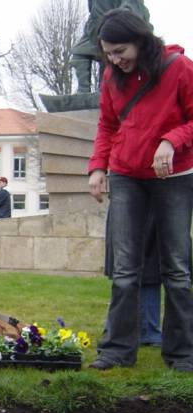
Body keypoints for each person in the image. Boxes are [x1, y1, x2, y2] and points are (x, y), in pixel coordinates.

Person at [87, 9, 193, 371]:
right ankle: (117, 350)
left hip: (174, 177)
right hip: (127, 176)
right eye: (109, 53)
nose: (116, 60)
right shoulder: (111, 76)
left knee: (176, 269)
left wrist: (172, 140)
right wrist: (98, 167)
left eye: (121, 51)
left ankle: (182, 353)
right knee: (125, 270)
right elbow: (107, 124)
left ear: (141, 40)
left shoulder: (179, 68)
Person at [104, 209, 162, 346]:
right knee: (125, 268)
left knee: (150, 264)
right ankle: (123, 329)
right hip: (128, 199)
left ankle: (145, 329)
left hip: (156, 198)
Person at [70, 0, 150, 93]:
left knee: (109, 56)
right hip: (96, 28)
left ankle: (106, 88)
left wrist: (120, 21)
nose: (115, 60)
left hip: (119, 27)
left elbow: (132, 6)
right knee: (79, 52)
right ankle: (83, 91)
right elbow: (93, 11)